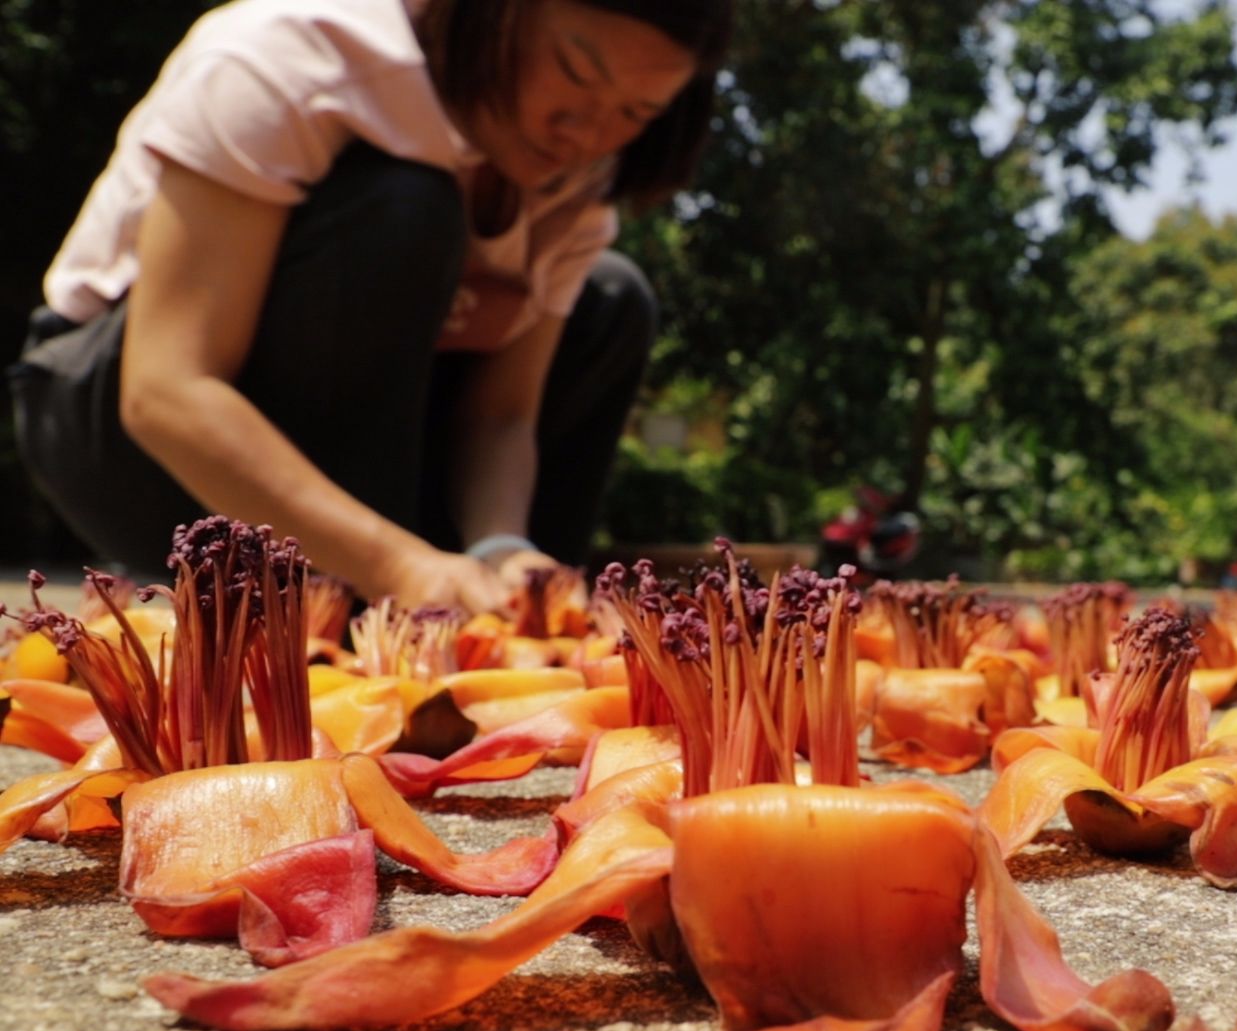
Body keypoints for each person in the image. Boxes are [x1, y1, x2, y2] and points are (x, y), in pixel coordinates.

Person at [11, 0, 731, 612]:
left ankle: (505, 613)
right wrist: (401, 568)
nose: (588, 135)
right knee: (404, 207)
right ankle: (360, 598)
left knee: (612, 298)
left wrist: (500, 547)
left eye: (636, 112)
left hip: (381, 458)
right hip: (128, 435)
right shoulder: (289, 60)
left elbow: (502, 413)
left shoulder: (579, 178)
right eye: (575, 74)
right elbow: (166, 391)